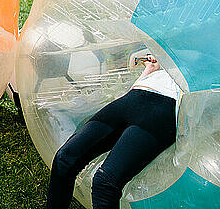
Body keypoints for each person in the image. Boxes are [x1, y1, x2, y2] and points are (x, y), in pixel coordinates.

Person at [47, 55, 181, 209]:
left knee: (105, 182)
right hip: (135, 96)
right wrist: (151, 70)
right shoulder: (172, 46)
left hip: (167, 106)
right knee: (64, 159)